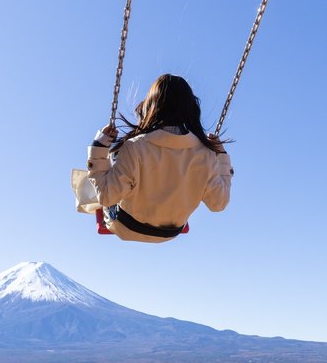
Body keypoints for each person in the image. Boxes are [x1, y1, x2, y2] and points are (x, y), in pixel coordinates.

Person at [86, 74, 232, 242]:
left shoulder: (135, 147)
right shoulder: (206, 155)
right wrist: (221, 156)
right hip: (170, 233)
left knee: (95, 172)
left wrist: (99, 147)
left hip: (125, 226)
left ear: (151, 105)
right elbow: (218, 204)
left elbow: (106, 197)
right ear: (191, 108)